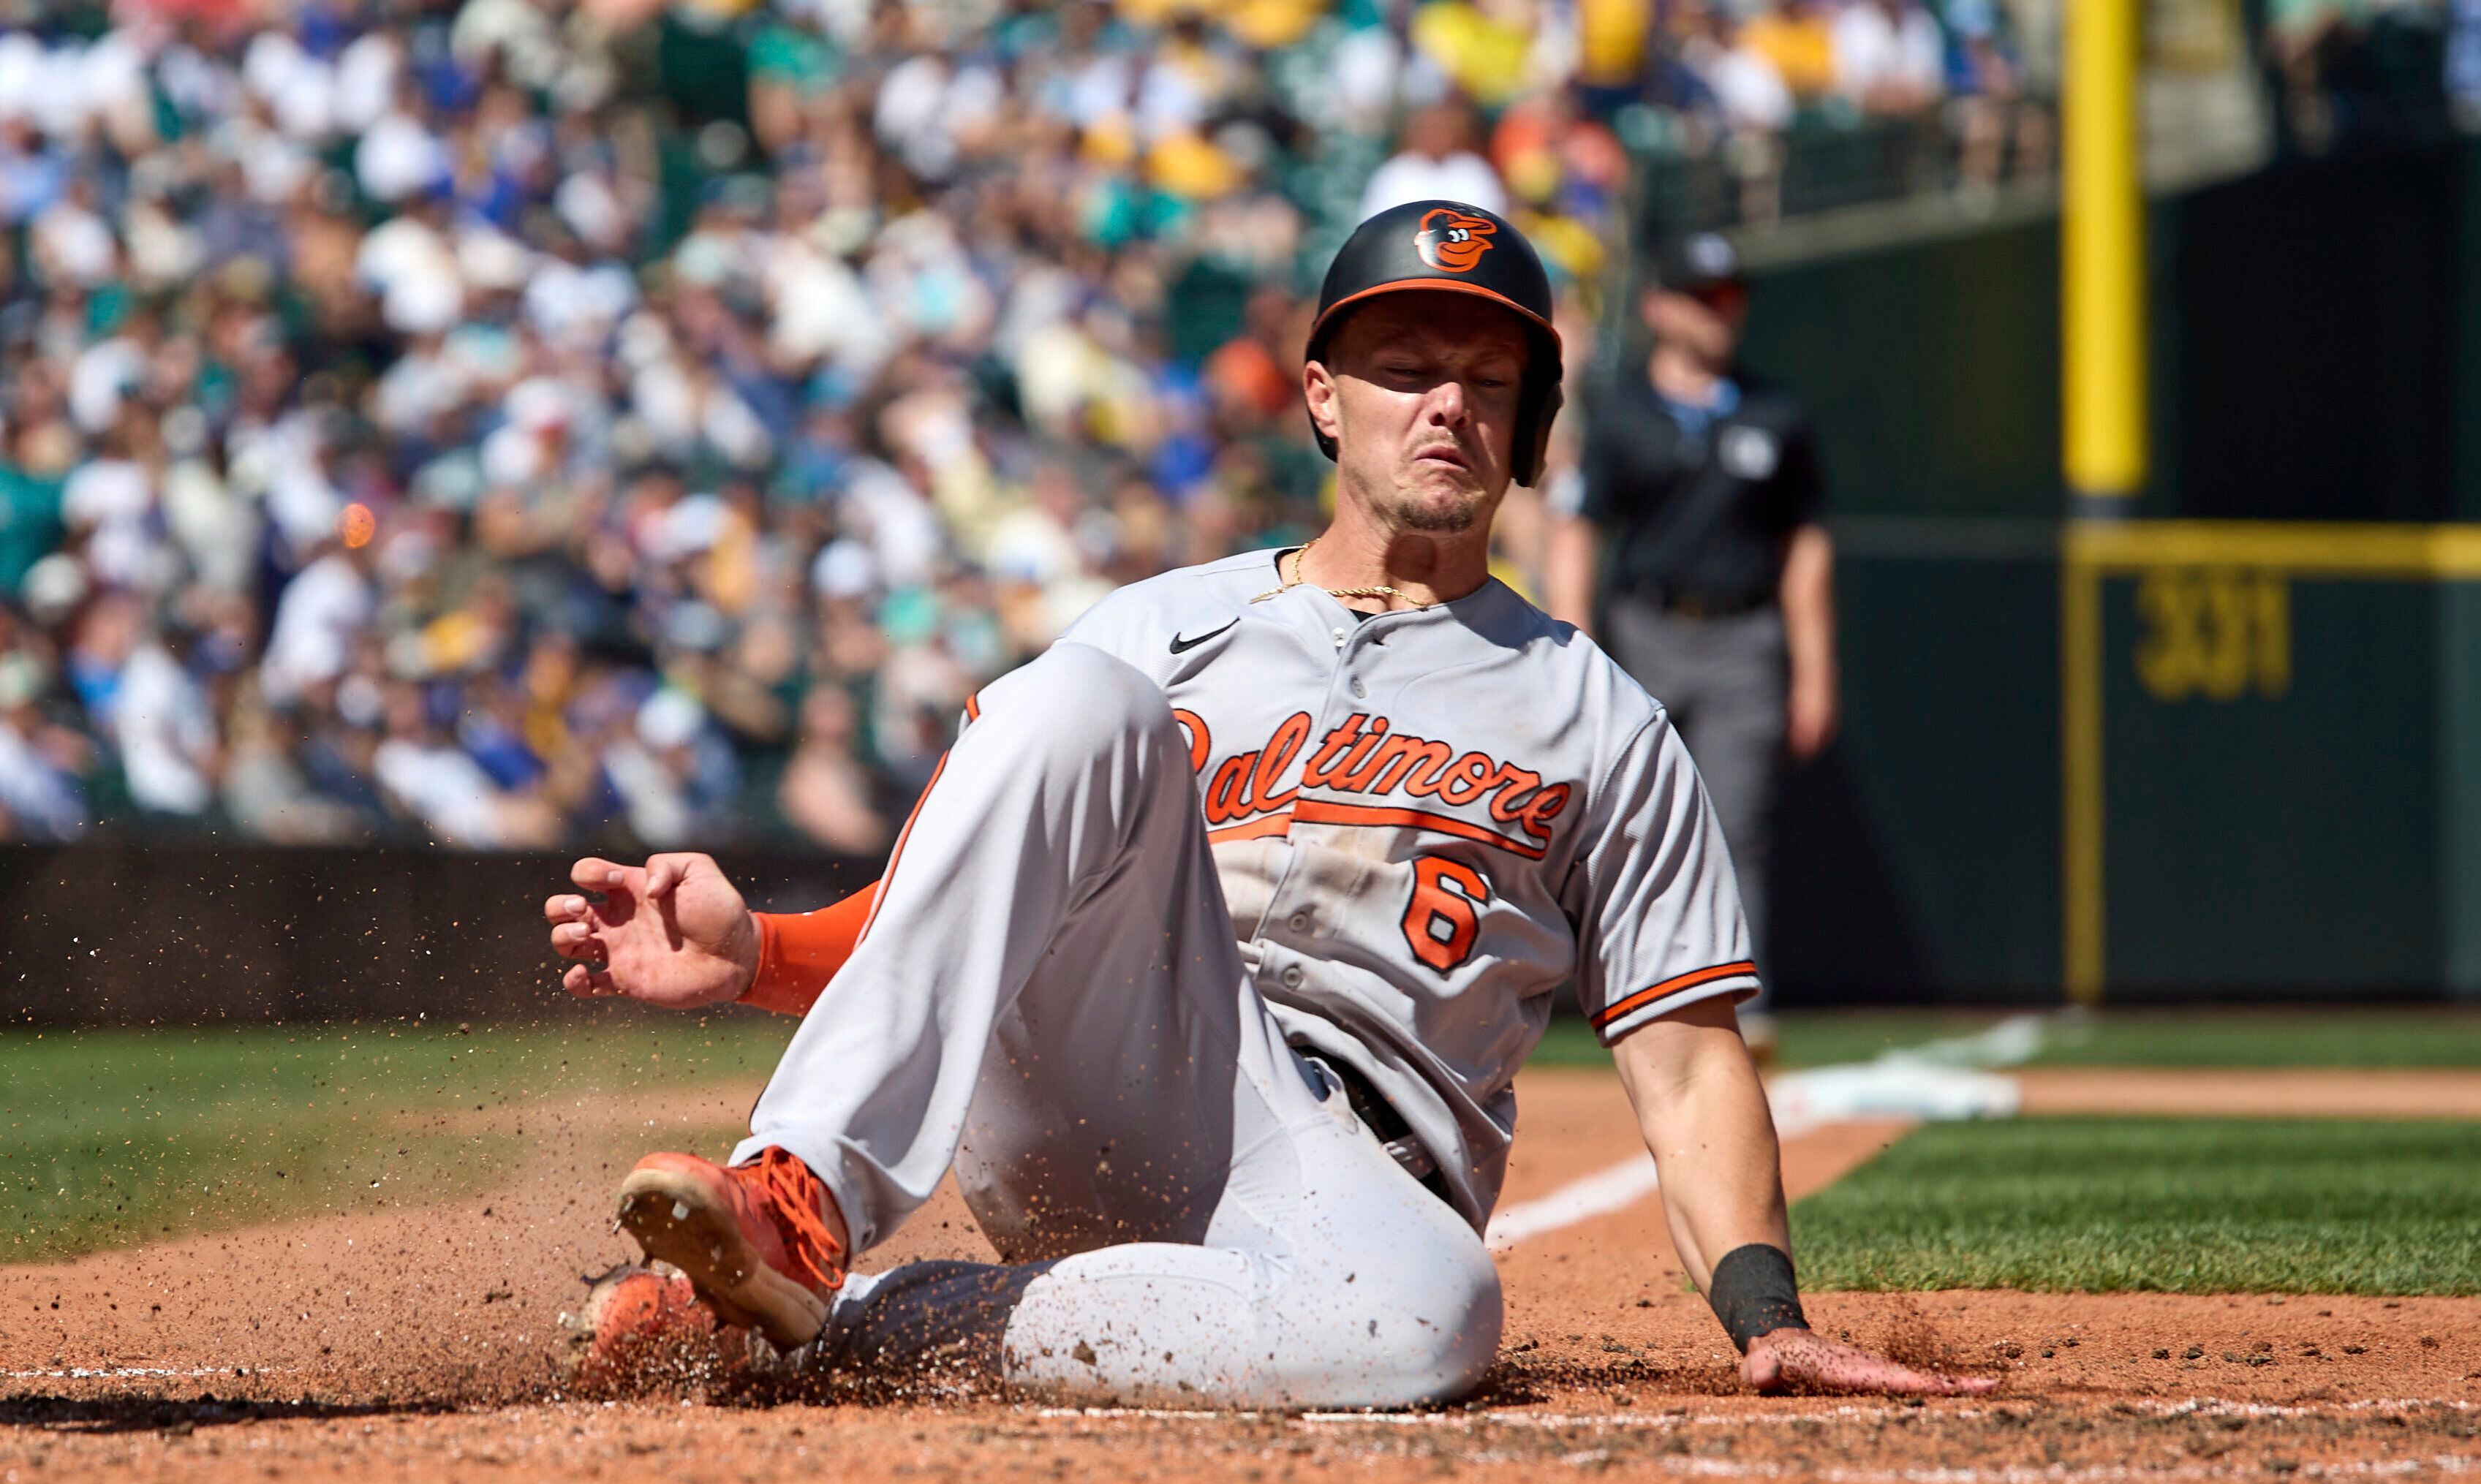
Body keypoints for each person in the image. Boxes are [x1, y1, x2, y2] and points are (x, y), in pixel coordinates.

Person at [545, 203, 1975, 1409]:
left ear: (1532, 421)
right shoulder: (1159, 628)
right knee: (1079, 699)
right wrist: (761, 955)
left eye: (1488, 381)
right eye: (1404, 366)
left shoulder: (1593, 710)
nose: (1446, 404)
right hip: (1099, 1086)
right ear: (1321, 398)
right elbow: (963, 906)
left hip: (1343, 1187)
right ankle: (794, 1204)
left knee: (1435, 1315)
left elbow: (1683, 1060)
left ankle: (817, 1327)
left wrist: (1765, 1316)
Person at [1547, 232, 1837, 1065]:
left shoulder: (1773, 413)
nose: (1721, 311)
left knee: (1735, 823)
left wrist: (1814, 670)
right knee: (1620, 821)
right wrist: (1573, 630)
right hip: (1646, 628)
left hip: (1746, 635)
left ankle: (1743, 1002)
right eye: (1702, 296)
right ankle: (1620, 998)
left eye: (1728, 296)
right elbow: (1580, 523)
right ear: (1659, 307)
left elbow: (1806, 547)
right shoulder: (1626, 414)